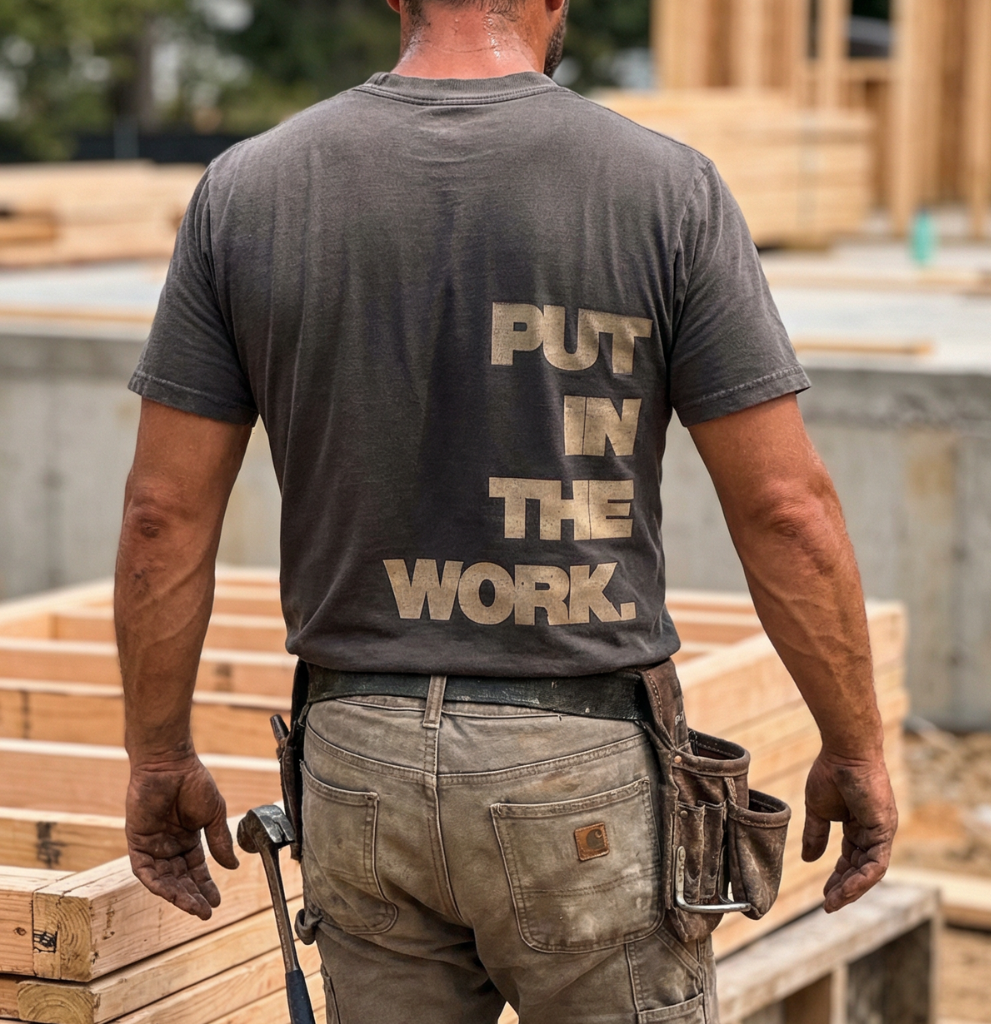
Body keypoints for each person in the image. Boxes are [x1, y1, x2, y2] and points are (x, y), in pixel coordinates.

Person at [114, 0, 898, 1021]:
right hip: (577, 770)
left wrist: (159, 755)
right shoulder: (666, 190)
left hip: (357, 758)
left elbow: (161, 517)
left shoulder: (248, 190)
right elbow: (786, 509)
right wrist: (855, 745)